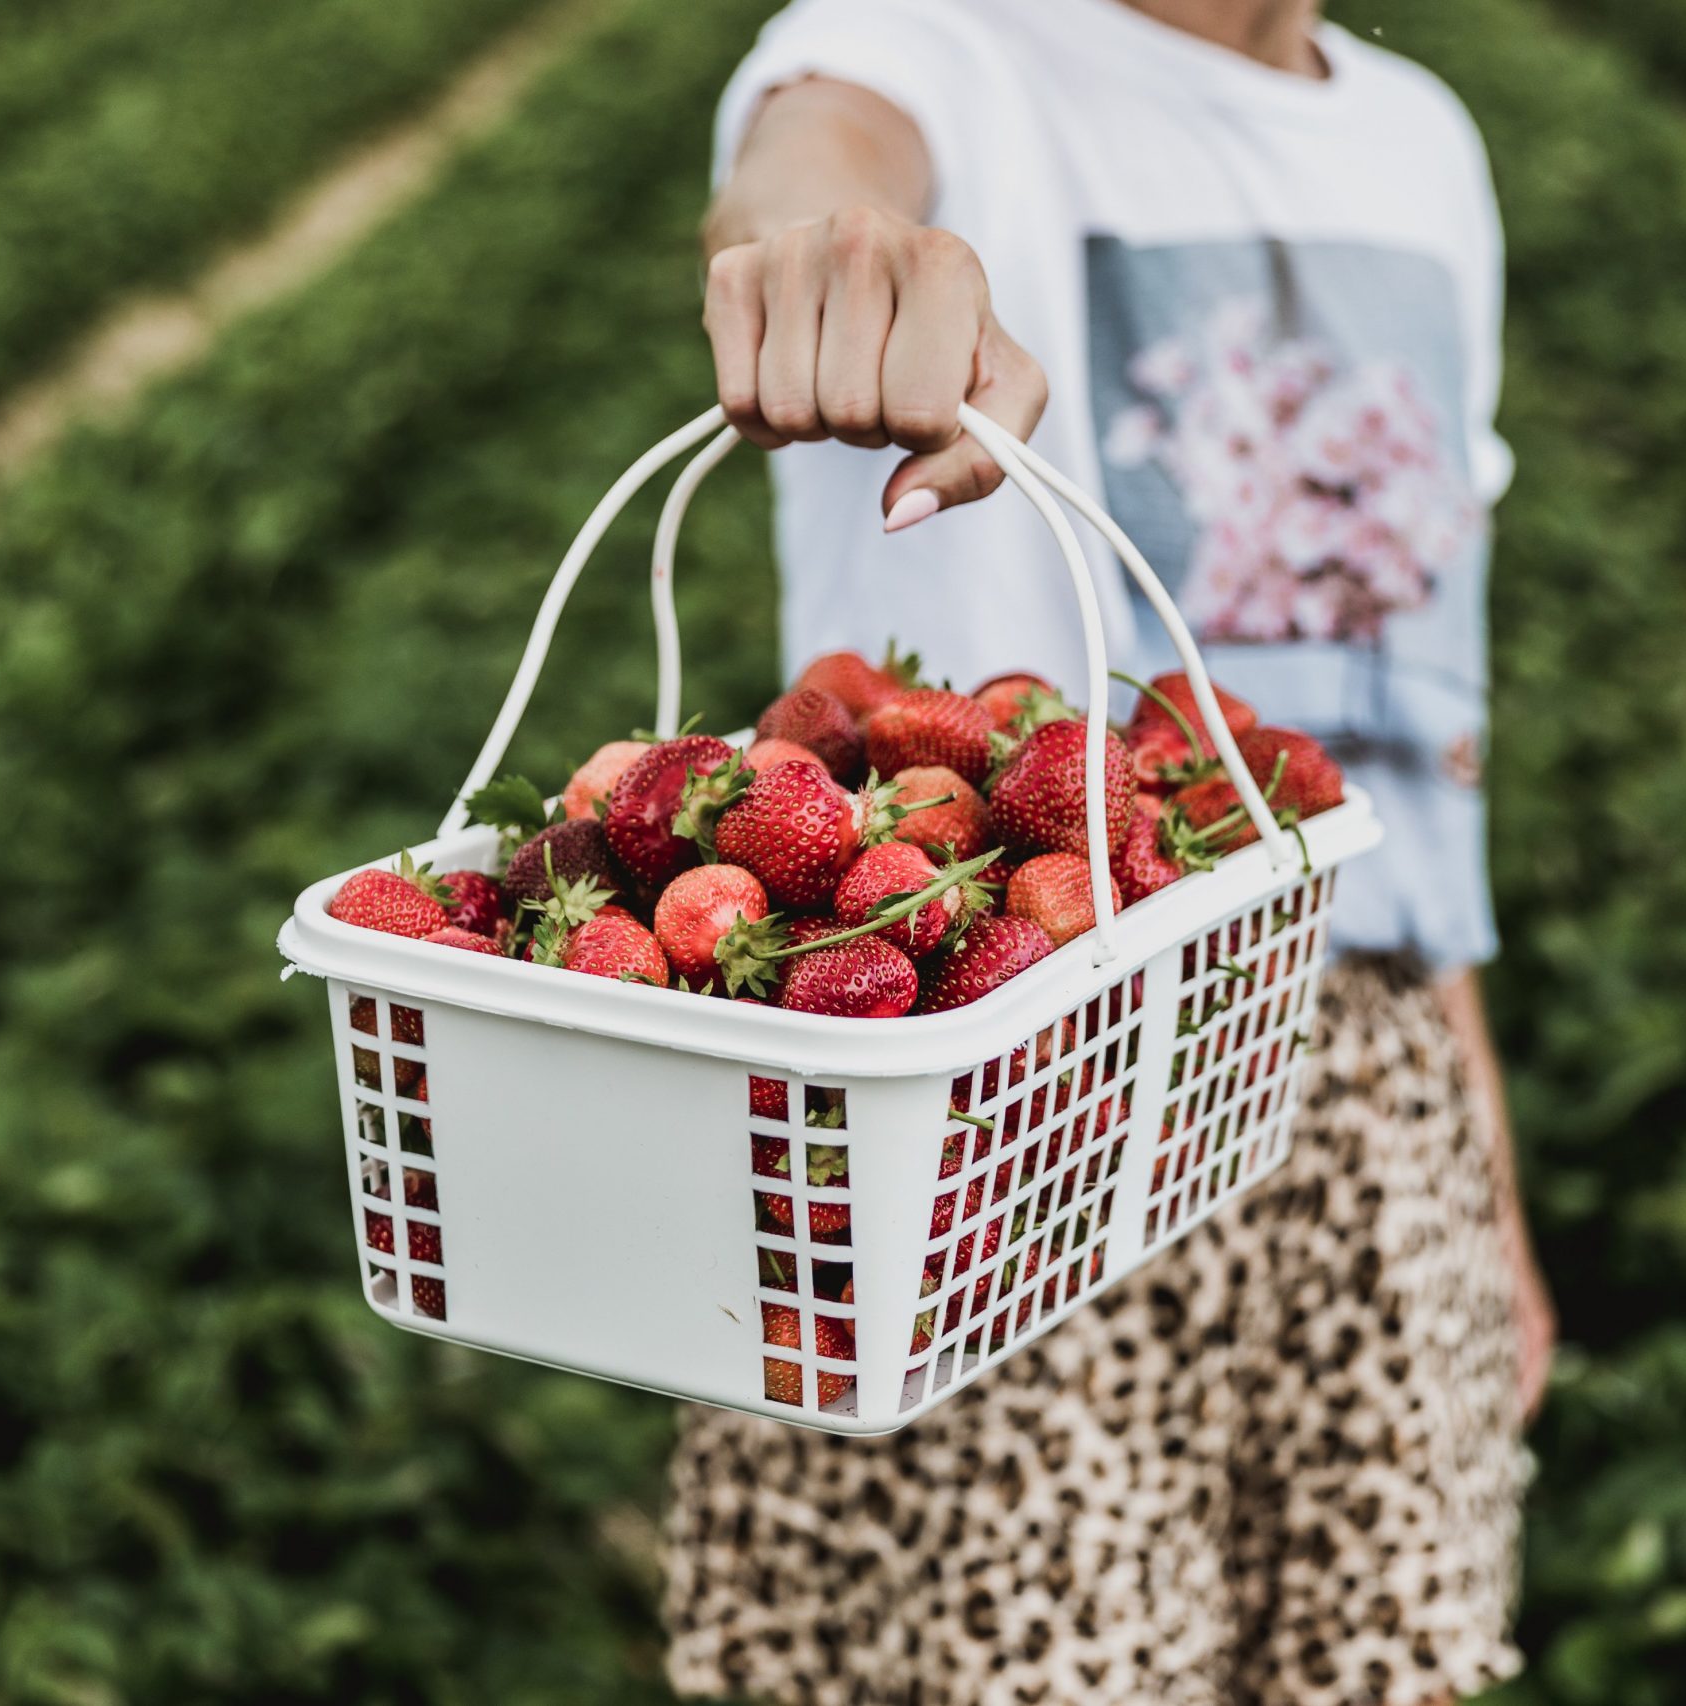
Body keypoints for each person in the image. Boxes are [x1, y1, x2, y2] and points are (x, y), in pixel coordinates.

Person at [661, 1, 1553, 1700]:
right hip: (1001, 1110)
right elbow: (817, 161)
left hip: (1359, 1094)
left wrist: (1480, 1175)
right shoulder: (921, 45)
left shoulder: (1423, 142)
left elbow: (1416, 746)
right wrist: (831, 264)